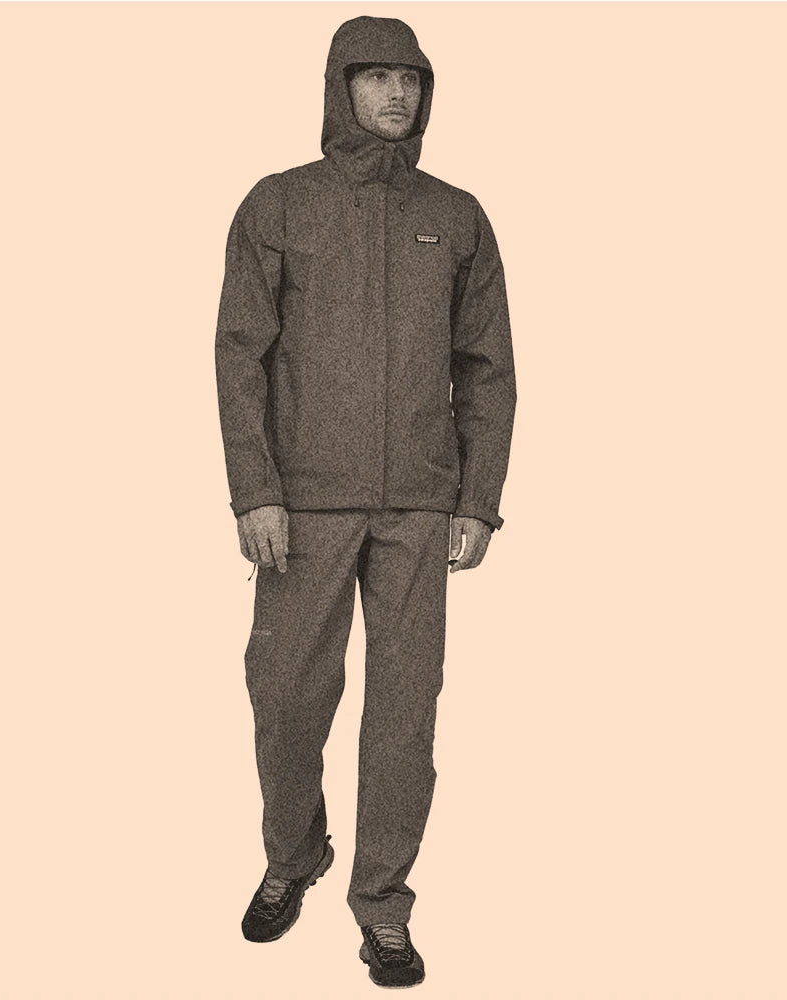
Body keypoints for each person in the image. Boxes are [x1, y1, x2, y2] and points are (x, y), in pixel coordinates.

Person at [214, 15, 515, 989]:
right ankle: (294, 853)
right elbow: (240, 355)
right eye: (376, 77)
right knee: (285, 697)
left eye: (410, 79)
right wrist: (255, 491)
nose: (396, 94)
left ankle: (382, 904)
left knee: (403, 715)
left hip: (419, 508)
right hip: (302, 506)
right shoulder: (279, 205)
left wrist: (478, 497)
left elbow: (487, 367)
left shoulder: (456, 216)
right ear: (339, 87)